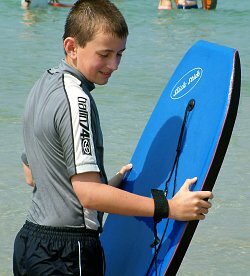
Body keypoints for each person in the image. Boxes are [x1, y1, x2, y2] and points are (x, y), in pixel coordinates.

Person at [13, 0, 213, 275]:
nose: (114, 65)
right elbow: (89, 196)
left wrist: (107, 184)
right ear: (71, 47)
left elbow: (33, 174)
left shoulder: (42, 85)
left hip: (30, 245)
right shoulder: (77, 100)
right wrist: (168, 208)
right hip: (68, 254)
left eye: (120, 54)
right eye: (105, 54)